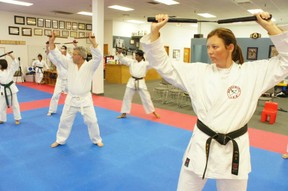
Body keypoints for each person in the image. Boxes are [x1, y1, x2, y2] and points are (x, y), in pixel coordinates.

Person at [140, 12, 287, 191]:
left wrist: (269, 26)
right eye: (208, 47)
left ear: (230, 47)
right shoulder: (198, 73)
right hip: (201, 145)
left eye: (215, 47)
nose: (210, 51)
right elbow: (162, 64)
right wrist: (155, 31)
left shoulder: (251, 74)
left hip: (234, 150)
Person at [48, 32, 104, 148]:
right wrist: (52, 41)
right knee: (64, 121)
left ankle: (97, 139)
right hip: (71, 99)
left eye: (74, 54)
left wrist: (93, 42)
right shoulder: (69, 64)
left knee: (92, 121)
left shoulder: (90, 66)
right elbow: (57, 55)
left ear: (81, 56)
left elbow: (98, 56)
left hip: (85, 100)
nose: (71, 56)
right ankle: (60, 140)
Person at [116, 48, 160, 119]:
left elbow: (154, 63)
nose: (135, 57)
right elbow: (123, 59)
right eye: (135, 55)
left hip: (141, 82)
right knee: (126, 97)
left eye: (137, 55)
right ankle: (124, 113)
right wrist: (120, 53)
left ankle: (153, 112)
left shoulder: (146, 64)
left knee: (146, 98)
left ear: (141, 56)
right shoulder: (132, 62)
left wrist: (155, 54)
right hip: (132, 81)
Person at [46, 43, 76, 116]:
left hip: (69, 80)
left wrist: (75, 45)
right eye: (61, 49)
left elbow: (77, 54)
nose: (62, 50)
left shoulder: (70, 58)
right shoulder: (58, 59)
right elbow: (49, 54)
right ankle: (51, 110)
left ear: (66, 50)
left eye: (63, 48)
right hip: (60, 80)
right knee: (55, 95)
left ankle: (73, 109)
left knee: (73, 95)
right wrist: (47, 46)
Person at [0, 53, 22, 125]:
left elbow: (15, 62)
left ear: (1, 65)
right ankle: (1, 119)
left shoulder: (10, 70)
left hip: (11, 89)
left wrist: (10, 55)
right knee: (1, 105)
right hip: (3, 90)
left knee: (15, 105)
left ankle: (17, 118)